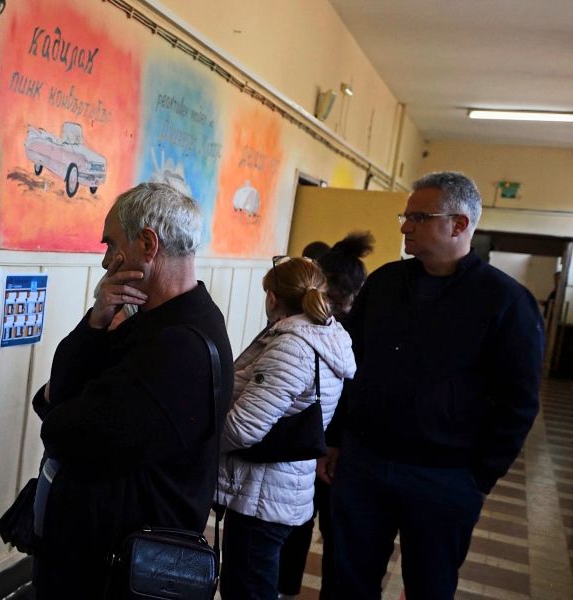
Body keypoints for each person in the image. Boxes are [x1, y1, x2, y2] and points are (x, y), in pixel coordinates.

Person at [328, 171, 544, 599]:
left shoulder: (505, 301)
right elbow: (349, 365)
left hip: (444, 478)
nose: (405, 227)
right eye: (406, 217)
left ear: (459, 224)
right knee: (346, 582)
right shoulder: (386, 283)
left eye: (419, 218)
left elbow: (518, 401)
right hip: (364, 463)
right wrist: (335, 438)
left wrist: (478, 477)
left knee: (429, 587)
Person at [29, 182, 234, 598]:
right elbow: (59, 391)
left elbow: (70, 435)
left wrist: (59, 410)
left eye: (112, 244)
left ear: (147, 244)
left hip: (119, 570)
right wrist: (96, 321)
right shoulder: (152, 320)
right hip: (100, 556)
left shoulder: (182, 345)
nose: (106, 260)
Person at [216, 257, 355, 599]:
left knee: (247, 589)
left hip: (263, 492)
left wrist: (198, 442)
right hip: (279, 485)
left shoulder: (292, 346)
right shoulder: (323, 334)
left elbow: (244, 427)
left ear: (272, 297)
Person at [277, 231, 374, 599]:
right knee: (335, 535)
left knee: (302, 525)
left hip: (315, 446)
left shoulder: (311, 328)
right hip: (339, 448)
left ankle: (285, 589)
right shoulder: (354, 330)